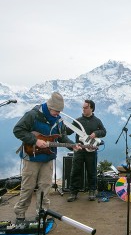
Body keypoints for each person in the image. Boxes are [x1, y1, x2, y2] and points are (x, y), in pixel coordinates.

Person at [13, 92, 80, 223]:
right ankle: (20, 214)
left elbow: (62, 137)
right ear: (49, 107)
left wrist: (73, 145)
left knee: (45, 186)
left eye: (60, 111)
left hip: (48, 158)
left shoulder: (59, 120)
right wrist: (35, 140)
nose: (58, 114)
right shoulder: (32, 115)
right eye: (56, 111)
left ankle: (42, 212)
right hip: (31, 157)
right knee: (28, 187)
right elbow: (18, 130)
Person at [66, 99, 107, 202]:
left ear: (91, 108)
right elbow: (68, 131)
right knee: (75, 170)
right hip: (79, 150)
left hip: (91, 150)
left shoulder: (97, 121)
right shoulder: (78, 121)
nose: (83, 109)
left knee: (92, 171)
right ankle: (73, 192)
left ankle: (92, 190)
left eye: (86, 107)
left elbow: (104, 131)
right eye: (83, 107)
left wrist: (96, 133)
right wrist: (61, 128)